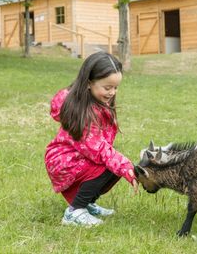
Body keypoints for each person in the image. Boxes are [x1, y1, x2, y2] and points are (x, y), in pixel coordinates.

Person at [45, 51, 138, 227]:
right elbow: (97, 149)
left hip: (74, 158)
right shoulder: (82, 112)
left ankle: (86, 204)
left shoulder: (93, 102)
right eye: (107, 87)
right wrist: (125, 166)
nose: (112, 92)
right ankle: (74, 212)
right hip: (63, 161)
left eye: (115, 87)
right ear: (89, 83)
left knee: (112, 165)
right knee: (108, 165)